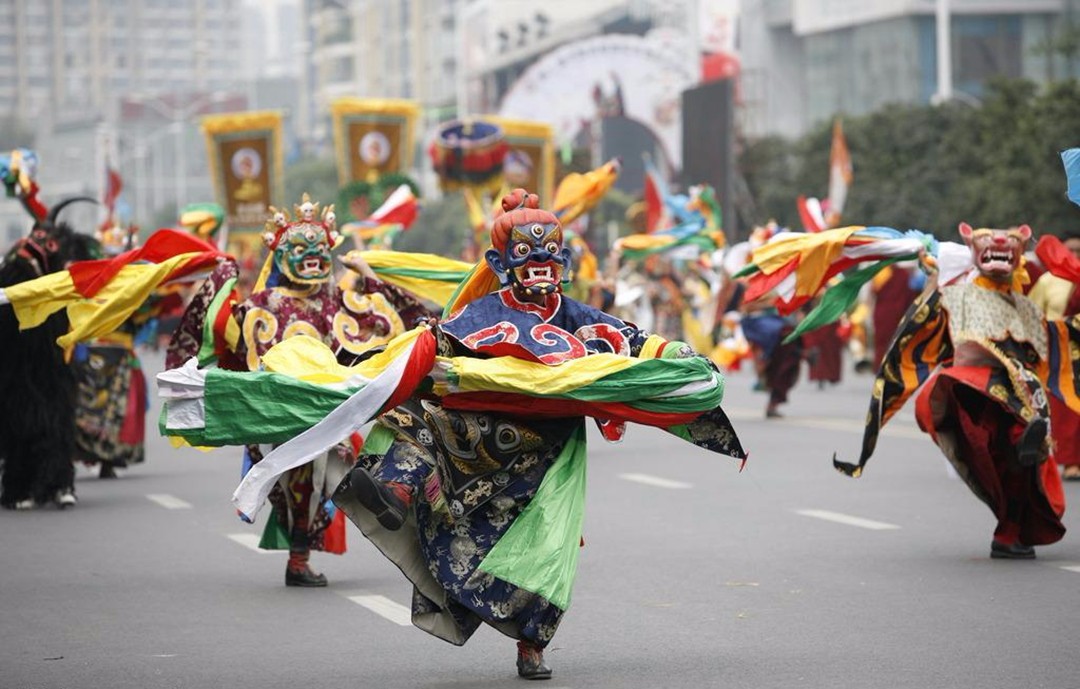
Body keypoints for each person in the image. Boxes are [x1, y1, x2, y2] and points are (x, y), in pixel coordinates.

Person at [330, 189, 746, 679]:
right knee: (418, 411)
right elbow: (438, 342)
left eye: (550, 251)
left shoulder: (579, 318)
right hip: (482, 436)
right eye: (527, 252)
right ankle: (397, 489)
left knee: (547, 547)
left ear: (564, 259)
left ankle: (532, 645)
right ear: (501, 261)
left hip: (546, 450)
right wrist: (376, 364)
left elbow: (638, 341)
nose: (541, 262)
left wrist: (677, 355)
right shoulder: (485, 312)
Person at [165, 194, 430, 586]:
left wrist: (370, 277)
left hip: (323, 411)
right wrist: (220, 281)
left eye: (320, 249)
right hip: (277, 410)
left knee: (329, 478)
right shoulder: (260, 305)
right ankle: (300, 557)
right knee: (299, 484)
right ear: (280, 255)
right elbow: (230, 344)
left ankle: (325, 542)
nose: (311, 257)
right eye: (300, 249)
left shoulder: (338, 300)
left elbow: (410, 322)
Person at [836, 223, 1079, 559]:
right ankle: (1020, 451)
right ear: (970, 245)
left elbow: (1043, 346)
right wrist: (935, 278)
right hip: (971, 385)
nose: (998, 244)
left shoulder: (1022, 305)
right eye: (988, 240)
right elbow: (932, 321)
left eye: (1009, 242)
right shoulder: (959, 291)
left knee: (1018, 467)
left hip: (1018, 391)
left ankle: (1009, 532)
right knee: (1000, 444)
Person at [1028, 230, 1080, 481]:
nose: (1075, 255)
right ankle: (1070, 461)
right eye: (1071, 250)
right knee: (1066, 409)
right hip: (1060, 352)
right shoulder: (1050, 280)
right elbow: (1033, 314)